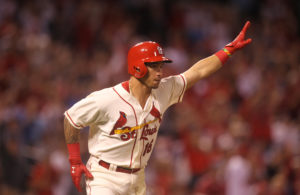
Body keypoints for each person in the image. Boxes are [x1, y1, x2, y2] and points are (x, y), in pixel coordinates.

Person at [63, 21, 252, 194]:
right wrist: (74, 160)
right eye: (154, 66)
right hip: (104, 176)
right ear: (137, 68)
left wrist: (227, 51)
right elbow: (71, 119)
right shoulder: (107, 99)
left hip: (138, 178)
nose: (160, 72)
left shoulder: (164, 90)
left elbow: (198, 71)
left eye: (161, 66)